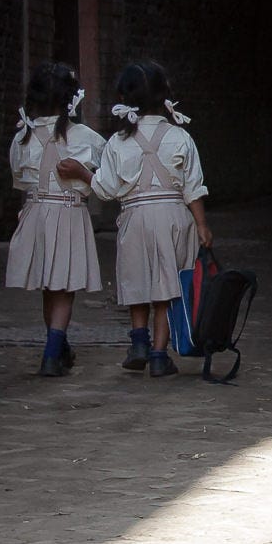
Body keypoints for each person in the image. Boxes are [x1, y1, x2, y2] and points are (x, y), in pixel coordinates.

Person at [92, 61, 212, 377]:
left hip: (134, 217)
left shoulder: (117, 142)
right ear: (164, 95)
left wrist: (83, 174)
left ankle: (139, 341)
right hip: (174, 217)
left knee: (137, 280)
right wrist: (201, 224)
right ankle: (159, 355)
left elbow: (106, 189)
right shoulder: (180, 137)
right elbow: (192, 186)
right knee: (166, 286)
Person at [3, 62, 108, 377]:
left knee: (50, 284)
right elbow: (104, 184)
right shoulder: (87, 138)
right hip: (69, 211)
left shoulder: (23, 137)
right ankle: (52, 353)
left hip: (36, 211)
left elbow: (19, 180)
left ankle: (58, 348)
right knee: (64, 285)